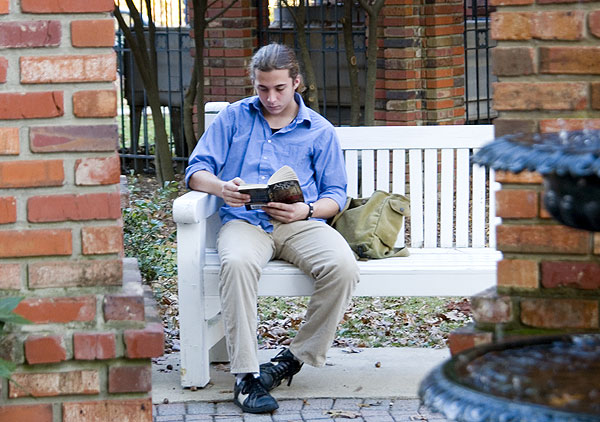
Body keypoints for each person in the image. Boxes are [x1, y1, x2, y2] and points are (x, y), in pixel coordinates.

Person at [185, 43, 360, 414]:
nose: (271, 97)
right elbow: (196, 170)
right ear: (254, 83)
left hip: (300, 224)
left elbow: (336, 195)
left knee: (343, 267)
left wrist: (307, 210)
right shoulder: (233, 118)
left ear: (296, 82)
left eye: (279, 88)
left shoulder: (319, 130)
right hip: (246, 223)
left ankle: (292, 359)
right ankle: (246, 378)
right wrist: (222, 188)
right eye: (262, 88)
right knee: (236, 264)